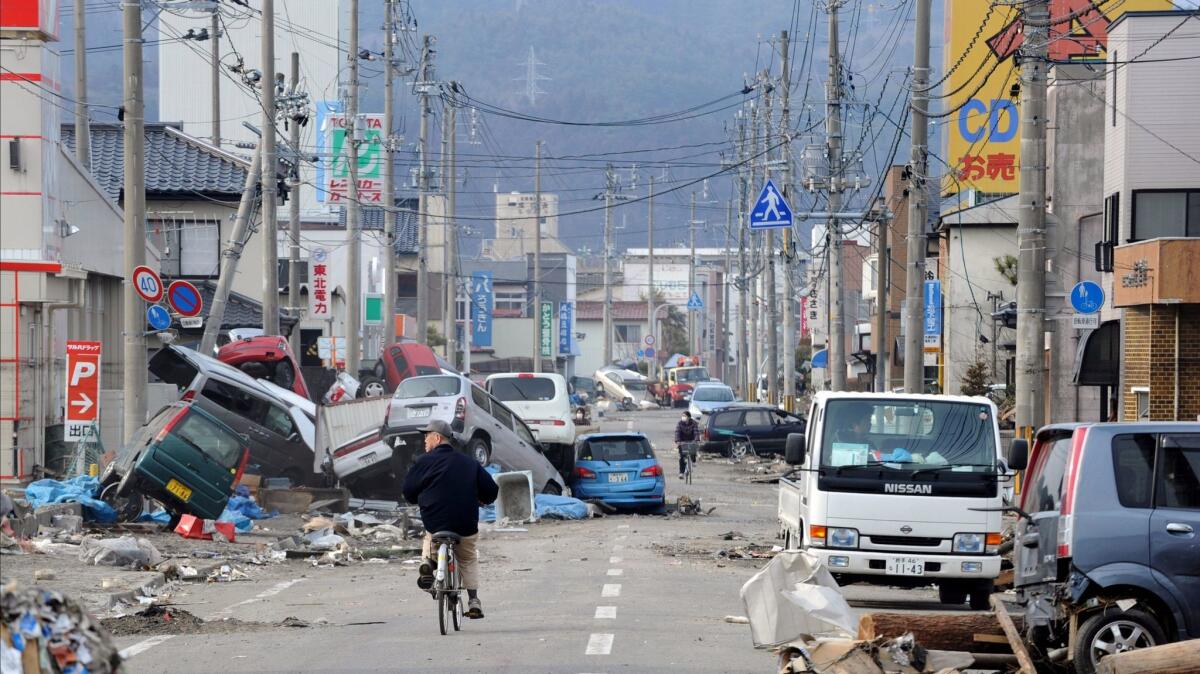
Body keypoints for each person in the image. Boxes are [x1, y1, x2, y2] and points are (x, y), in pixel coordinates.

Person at [402, 419, 499, 620]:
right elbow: (491, 490)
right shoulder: (469, 463)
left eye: (426, 436)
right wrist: (483, 499)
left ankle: (428, 563)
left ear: (437, 438)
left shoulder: (423, 462)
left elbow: (408, 491)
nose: (424, 442)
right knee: (468, 557)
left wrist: (416, 498)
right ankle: (473, 600)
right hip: (465, 524)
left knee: (430, 536)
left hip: (435, 522)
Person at [674, 411, 700, 478]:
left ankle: (693, 461)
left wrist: (696, 440)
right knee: (682, 457)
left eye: (685, 416)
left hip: (691, 440)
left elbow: (696, 432)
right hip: (682, 442)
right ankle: (681, 473)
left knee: (693, 449)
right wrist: (677, 441)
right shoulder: (679, 423)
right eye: (682, 416)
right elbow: (677, 432)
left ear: (689, 417)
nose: (683, 417)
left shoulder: (694, 423)